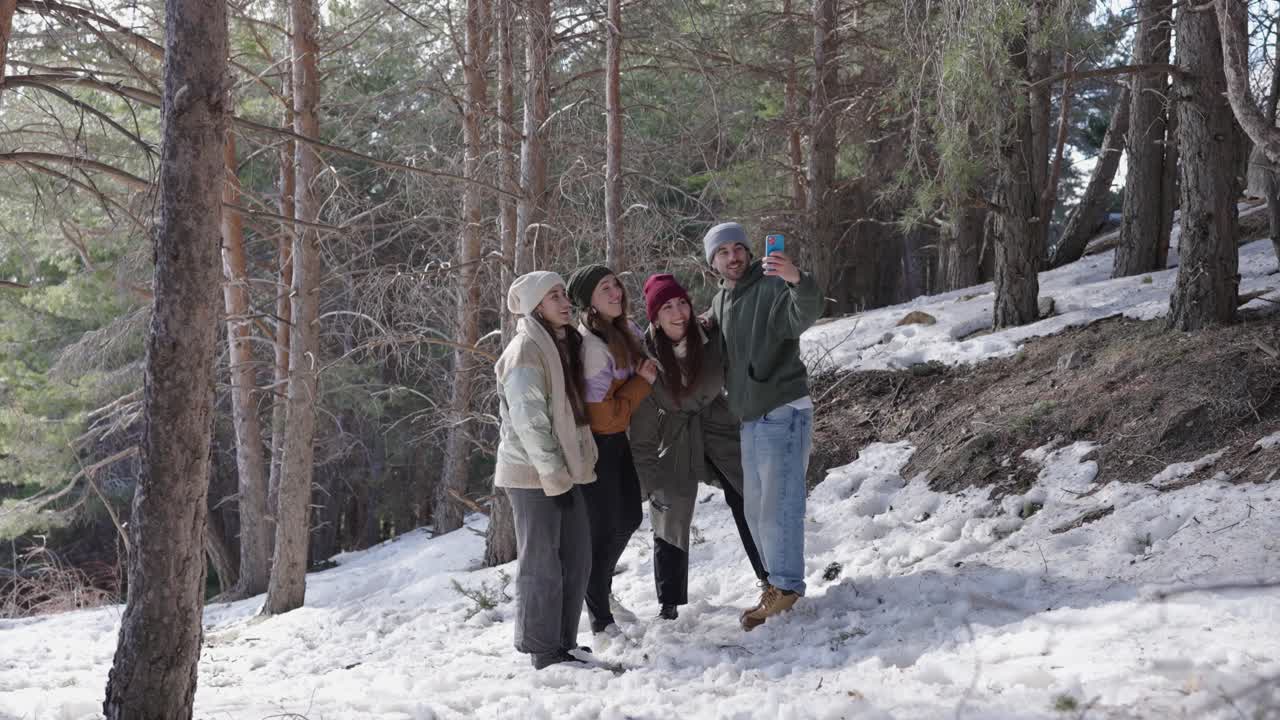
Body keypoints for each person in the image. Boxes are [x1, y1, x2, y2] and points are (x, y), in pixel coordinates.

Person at [704, 222, 824, 631]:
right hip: (750, 417)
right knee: (756, 510)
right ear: (713, 262)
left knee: (780, 504)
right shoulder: (722, 301)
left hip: (782, 409)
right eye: (723, 252)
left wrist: (797, 279)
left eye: (739, 248)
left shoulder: (772, 284)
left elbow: (804, 312)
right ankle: (776, 585)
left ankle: (786, 586)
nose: (734, 256)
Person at [630, 273, 767, 621]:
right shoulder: (645, 356)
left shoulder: (710, 333)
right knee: (670, 508)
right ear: (655, 319)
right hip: (674, 436)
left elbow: (736, 303)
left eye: (682, 303)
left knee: (746, 495)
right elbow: (643, 428)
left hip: (719, 425)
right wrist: (646, 481)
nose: (678, 313)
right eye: (667, 308)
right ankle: (669, 602)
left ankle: (770, 580)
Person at [494, 271, 600, 669]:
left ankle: (563, 642)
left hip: (560, 471)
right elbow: (529, 420)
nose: (564, 300)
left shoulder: (559, 344)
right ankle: (543, 648)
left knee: (577, 556)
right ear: (537, 306)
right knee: (542, 562)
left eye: (563, 294)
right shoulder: (526, 349)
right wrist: (554, 474)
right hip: (532, 473)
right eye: (554, 296)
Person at [566, 264, 658, 646]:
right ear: (589, 300)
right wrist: (642, 384)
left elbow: (643, 350)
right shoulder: (592, 345)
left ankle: (599, 590)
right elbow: (601, 417)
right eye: (605, 288)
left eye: (616, 285)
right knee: (604, 529)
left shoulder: (622, 329)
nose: (616, 292)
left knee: (630, 517)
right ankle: (600, 618)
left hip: (618, 440)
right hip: (599, 444)